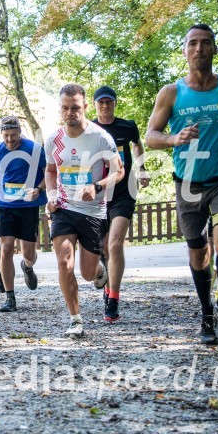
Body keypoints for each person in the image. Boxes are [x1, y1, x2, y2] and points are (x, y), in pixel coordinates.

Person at [146, 23, 218, 344]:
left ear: (214, 49)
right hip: (188, 183)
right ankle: (206, 311)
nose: (198, 49)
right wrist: (174, 137)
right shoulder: (171, 93)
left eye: (205, 43)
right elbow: (151, 136)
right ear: (184, 50)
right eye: (192, 43)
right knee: (198, 252)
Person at [45, 84, 123, 338]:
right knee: (64, 262)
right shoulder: (53, 139)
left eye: (75, 108)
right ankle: (75, 319)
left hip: (93, 211)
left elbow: (118, 171)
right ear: (60, 109)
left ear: (85, 107)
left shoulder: (101, 137)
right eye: (65, 108)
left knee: (88, 273)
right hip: (64, 209)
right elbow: (50, 171)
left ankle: (100, 271)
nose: (70, 113)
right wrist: (52, 195)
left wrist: (98, 186)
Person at [92, 86, 149, 322]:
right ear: (95, 105)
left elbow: (137, 144)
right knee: (101, 248)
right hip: (97, 195)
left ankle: (113, 299)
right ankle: (106, 282)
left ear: (115, 104)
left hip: (124, 192)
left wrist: (142, 168)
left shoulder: (127, 126)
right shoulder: (88, 130)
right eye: (101, 102)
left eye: (109, 102)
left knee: (115, 244)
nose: (105, 106)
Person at [0, 115, 47, 312]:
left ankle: (27, 266)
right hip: (6, 206)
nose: (9, 140)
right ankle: (10, 297)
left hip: (28, 206)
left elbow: (50, 173)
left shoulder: (34, 149)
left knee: (29, 252)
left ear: (20, 132)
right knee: (6, 247)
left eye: (13, 135)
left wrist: (39, 189)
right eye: (5, 136)